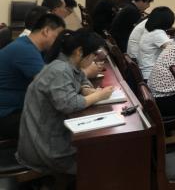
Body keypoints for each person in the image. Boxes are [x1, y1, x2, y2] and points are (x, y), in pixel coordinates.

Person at [17, 30, 113, 175]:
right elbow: (69, 104)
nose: (94, 59)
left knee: (100, 151)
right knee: (101, 163)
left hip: (48, 137)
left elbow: (81, 79)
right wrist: (98, 96)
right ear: (79, 51)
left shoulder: (68, 64)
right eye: (94, 54)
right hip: (44, 148)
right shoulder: (60, 70)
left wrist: (86, 89)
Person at [0, 14, 65, 139]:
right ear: (46, 31)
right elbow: (51, 85)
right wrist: (85, 74)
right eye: (57, 36)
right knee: (61, 122)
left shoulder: (28, 45)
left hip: (15, 108)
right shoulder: (25, 50)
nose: (58, 42)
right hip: (6, 116)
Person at [137, 7, 175, 79]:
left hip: (146, 72)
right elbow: (174, 50)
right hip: (152, 76)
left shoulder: (149, 30)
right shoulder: (157, 33)